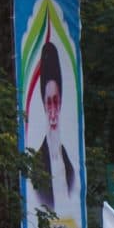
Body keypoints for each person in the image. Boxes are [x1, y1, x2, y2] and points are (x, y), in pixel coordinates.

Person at [32, 40, 74, 211]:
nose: (53, 112)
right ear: (43, 104)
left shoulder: (70, 166)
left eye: (56, 101)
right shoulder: (36, 165)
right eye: (48, 103)